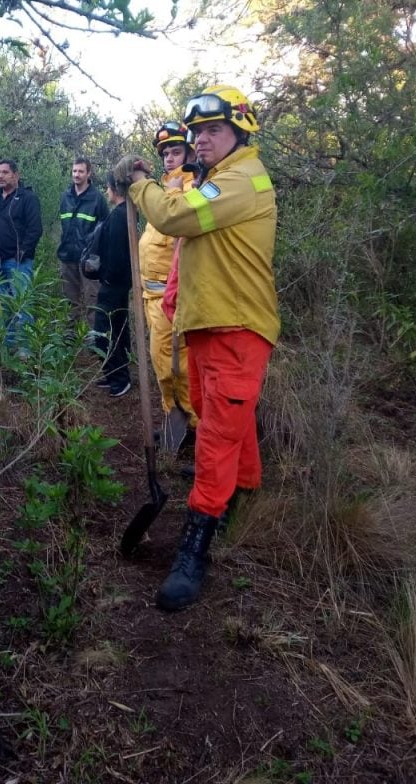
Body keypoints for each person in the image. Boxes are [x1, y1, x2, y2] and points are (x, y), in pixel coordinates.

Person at [116, 84, 279, 611]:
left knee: (214, 438)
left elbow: (174, 218)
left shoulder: (241, 181)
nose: (202, 140)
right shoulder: (214, 181)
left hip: (239, 329)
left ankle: (194, 546)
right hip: (210, 325)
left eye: (213, 130)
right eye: (198, 132)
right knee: (221, 418)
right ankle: (243, 492)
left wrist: (141, 185)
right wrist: (175, 305)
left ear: (241, 130)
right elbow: (195, 247)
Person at [138, 124, 197, 446]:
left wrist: (174, 191)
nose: (169, 159)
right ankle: (175, 416)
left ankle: (193, 424)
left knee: (177, 364)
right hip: (152, 294)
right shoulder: (167, 188)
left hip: (172, 297)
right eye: (165, 154)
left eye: (175, 152)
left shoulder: (190, 189)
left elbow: (181, 226)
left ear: (189, 153)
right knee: (164, 362)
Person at [0, 158, 42, 349]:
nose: (0, 176)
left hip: (17, 263)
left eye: (5, 172)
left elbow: (35, 229)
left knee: (21, 307)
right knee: (2, 308)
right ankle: (6, 351)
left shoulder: (27, 198)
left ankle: (25, 352)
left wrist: (21, 253)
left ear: (16, 175)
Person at [57, 156, 108, 333]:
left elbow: (104, 230)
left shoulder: (97, 198)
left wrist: (97, 256)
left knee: (92, 300)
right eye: (74, 171)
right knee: (69, 300)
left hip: (88, 260)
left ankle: (95, 341)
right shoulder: (65, 197)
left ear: (88, 173)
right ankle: (69, 338)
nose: (76, 175)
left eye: (80, 171)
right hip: (67, 257)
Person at [94, 171, 133, 398]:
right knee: (117, 328)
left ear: (114, 188)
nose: (106, 191)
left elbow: (118, 253)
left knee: (103, 331)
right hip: (116, 283)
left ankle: (119, 378)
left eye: (108, 187)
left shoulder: (120, 215)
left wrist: (107, 277)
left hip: (113, 284)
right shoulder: (121, 212)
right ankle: (114, 373)